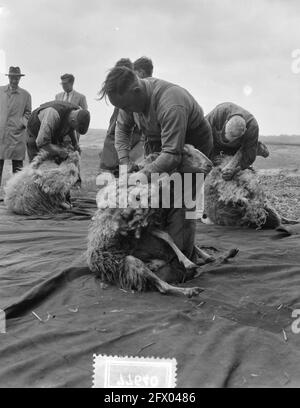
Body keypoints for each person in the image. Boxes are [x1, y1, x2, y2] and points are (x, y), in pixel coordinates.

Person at [98, 66, 213, 260]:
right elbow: (123, 130)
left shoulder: (171, 103)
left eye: (125, 107)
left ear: (136, 91)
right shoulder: (130, 101)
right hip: (158, 142)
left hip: (190, 148)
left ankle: (182, 258)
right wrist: (126, 166)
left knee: (180, 202)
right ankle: (159, 246)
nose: (124, 111)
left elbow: (172, 156)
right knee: (154, 202)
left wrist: (141, 175)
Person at [99, 57, 154, 174]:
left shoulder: (139, 98)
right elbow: (114, 131)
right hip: (121, 159)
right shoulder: (124, 101)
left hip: (135, 158)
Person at [206, 102, 269, 180]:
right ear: (226, 122)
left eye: (233, 138)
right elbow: (201, 135)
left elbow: (249, 158)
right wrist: (211, 158)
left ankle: (257, 147)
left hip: (237, 147)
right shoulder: (218, 113)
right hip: (216, 141)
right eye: (228, 135)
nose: (229, 139)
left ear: (244, 131)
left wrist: (234, 170)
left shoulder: (252, 127)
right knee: (208, 162)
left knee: (247, 152)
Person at [0, 66, 32, 186]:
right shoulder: (0, 91)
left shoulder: (26, 95)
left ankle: (16, 195)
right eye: (12, 78)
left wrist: (20, 123)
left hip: (17, 135)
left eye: (16, 78)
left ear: (20, 78)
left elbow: (28, 113)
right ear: (9, 77)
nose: (14, 81)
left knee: (17, 168)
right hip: (1, 134)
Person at [55, 73, 88, 141]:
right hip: (58, 131)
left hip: (73, 133)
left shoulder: (81, 97)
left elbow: (84, 116)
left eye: (65, 83)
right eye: (62, 83)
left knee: (73, 151)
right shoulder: (57, 96)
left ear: (72, 83)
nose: (63, 86)